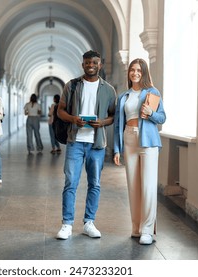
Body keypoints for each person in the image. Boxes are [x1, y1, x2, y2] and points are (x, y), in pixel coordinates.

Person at [56, 50, 116, 240]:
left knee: (95, 184)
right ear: (83, 64)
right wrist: (74, 119)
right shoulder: (72, 86)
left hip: (96, 144)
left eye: (95, 62)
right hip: (75, 142)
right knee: (70, 183)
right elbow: (60, 111)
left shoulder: (109, 90)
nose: (91, 65)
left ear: (100, 65)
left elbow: (113, 115)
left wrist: (103, 122)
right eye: (87, 62)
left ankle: (89, 222)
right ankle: (67, 224)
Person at [113, 58, 166, 245]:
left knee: (148, 186)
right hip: (129, 139)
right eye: (132, 70)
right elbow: (118, 125)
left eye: (139, 70)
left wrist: (151, 113)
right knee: (133, 186)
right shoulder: (123, 97)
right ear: (129, 73)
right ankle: (136, 227)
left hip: (148, 142)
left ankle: (147, 230)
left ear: (143, 73)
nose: (135, 73)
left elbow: (162, 118)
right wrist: (117, 149)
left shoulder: (152, 92)